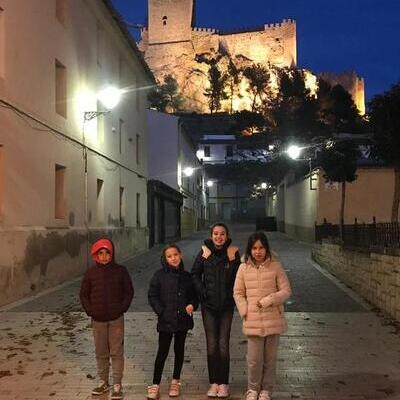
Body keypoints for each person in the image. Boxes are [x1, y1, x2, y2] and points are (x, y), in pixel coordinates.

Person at [233, 232, 291, 400]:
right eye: (254, 248)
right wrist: (245, 311)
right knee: (253, 359)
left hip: (273, 318)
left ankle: (266, 390)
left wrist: (270, 299)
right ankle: (252, 389)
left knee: (270, 359)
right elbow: (238, 293)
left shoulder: (276, 266)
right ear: (249, 250)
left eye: (261, 248)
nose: (258, 252)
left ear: (266, 248)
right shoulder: (243, 267)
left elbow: (286, 290)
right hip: (253, 320)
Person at [80, 238, 134, 400]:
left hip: (116, 319)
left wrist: (122, 308)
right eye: (100, 253)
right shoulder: (90, 273)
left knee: (116, 352)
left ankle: (117, 383)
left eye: (107, 253)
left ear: (112, 254)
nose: (104, 256)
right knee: (101, 352)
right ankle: (103, 381)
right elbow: (84, 294)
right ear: (95, 255)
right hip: (98, 320)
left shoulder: (120, 271)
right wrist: (90, 310)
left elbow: (128, 292)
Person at [191, 223, 241, 398]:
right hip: (209, 307)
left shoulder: (233, 254)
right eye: (215, 234)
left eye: (222, 234)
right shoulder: (204, 253)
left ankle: (224, 383)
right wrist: (202, 292)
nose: (218, 237)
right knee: (212, 346)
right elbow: (194, 274)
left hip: (226, 307)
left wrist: (233, 260)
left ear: (227, 236)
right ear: (211, 235)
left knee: (223, 345)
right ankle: (214, 383)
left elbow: (239, 277)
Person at [147, 244, 198, 399]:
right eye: (169, 256)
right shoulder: (159, 276)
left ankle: (175, 381)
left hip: (182, 319)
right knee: (162, 351)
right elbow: (152, 295)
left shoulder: (187, 277)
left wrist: (192, 305)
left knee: (179, 350)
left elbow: (194, 296)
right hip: (166, 320)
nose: (173, 258)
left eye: (175, 254)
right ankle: (155, 384)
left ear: (180, 255)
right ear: (165, 259)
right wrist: (160, 311)